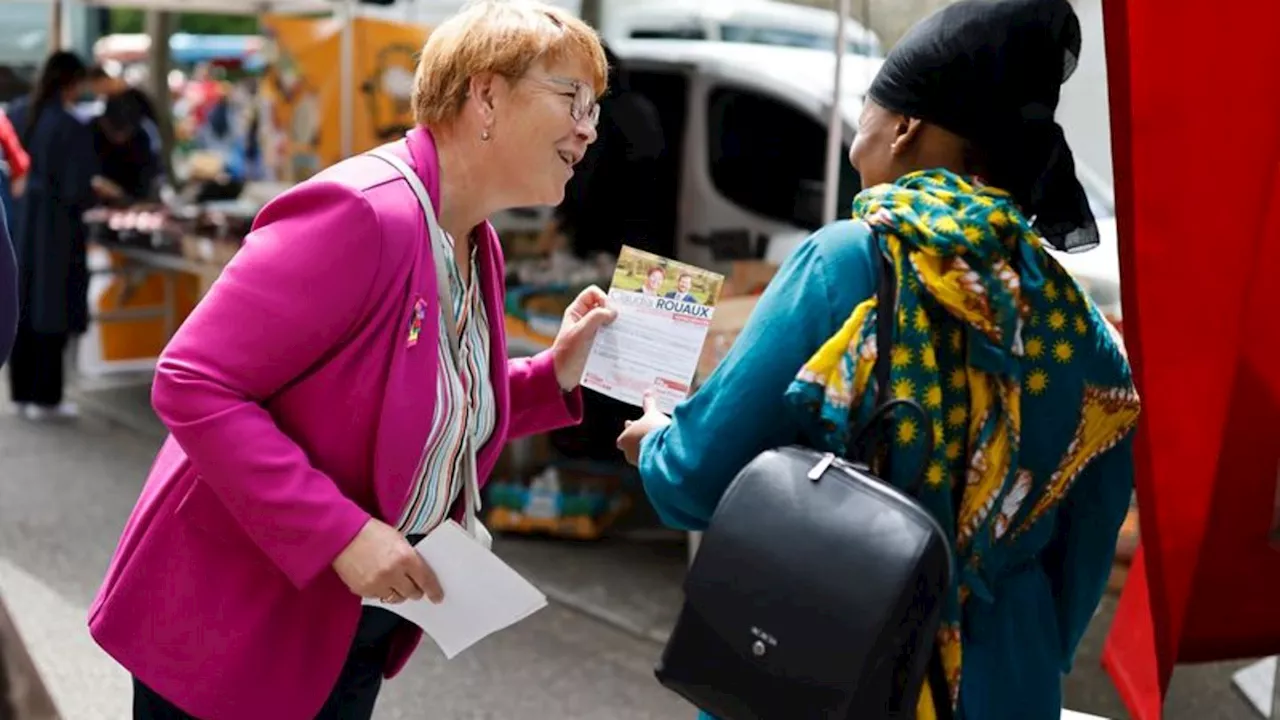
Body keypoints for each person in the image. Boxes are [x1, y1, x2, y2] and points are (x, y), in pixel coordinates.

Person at [617, 1, 1139, 719]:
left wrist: (656, 445)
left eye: (867, 111)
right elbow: (1082, 564)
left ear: (903, 127)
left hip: (831, 666)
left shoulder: (850, 260)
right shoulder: (1077, 328)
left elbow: (698, 477)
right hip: (1004, 685)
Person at [88, 3, 612, 719]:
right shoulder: (364, 212)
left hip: (345, 618)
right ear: (485, 95)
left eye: (595, 109)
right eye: (572, 98)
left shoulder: (470, 236)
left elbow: (415, 402)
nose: (587, 127)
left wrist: (552, 375)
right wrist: (342, 531)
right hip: (234, 617)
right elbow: (193, 380)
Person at [6, 51, 98, 421]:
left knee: (22, 308)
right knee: (52, 311)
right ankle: (46, 398)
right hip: (56, 234)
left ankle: (21, 393)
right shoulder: (69, 126)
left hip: (17, 225)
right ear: (72, 82)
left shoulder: (17, 114)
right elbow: (78, 188)